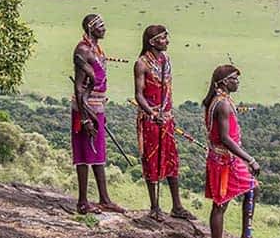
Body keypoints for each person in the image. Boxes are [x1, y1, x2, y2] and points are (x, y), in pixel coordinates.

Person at [203, 64, 260, 238]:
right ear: (224, 82)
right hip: (224, 161)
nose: (238, 82)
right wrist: (250, 159)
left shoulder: (222, 100)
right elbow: (226, 139)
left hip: (228, 159)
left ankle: (246, 237)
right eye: (235, 79)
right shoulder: (223, 105)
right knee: (220, 204)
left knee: (253, 188)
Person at [134, 25, 192, 221]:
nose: (167, 41)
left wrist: (164, 115)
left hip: (166, 118)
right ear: (152, 42)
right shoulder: (142, 64)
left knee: (171, 160)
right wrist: (151, 113)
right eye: (163, 38)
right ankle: (155, 207)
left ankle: (177, 206)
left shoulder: (166, 60)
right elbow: (139, 95)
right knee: (152, 160)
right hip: (151, 119)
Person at [72, 14, 125, 214]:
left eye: (104, 25)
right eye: (99, 26)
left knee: (98, 152)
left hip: (98, 105)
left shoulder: (96, 49)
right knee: (85, 152)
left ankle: (104, 199)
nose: (104, 28)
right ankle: (83, 202)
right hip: (85, 108)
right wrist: (85, 117)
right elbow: (79, 88)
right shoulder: (83, 50)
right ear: (89, 28)